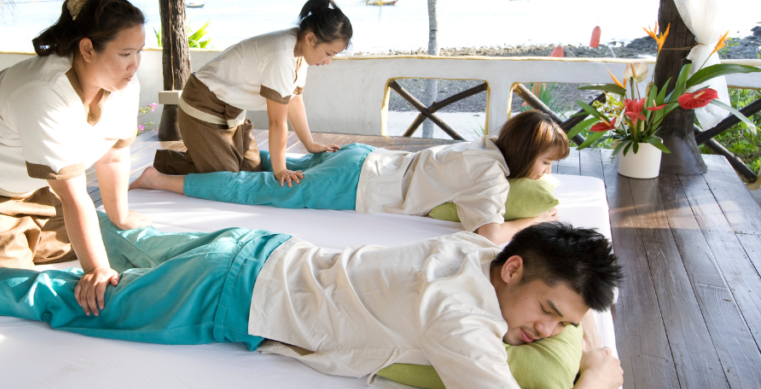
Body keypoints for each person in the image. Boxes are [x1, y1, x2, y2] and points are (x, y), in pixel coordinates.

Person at [0, 218, 624, 389]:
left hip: (262, 251)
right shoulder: (461, 320)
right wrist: (596, 378)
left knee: (131, 249)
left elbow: (505, 233)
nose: (547, 331)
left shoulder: (475, 254)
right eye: (548, 311)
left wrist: (577, 311)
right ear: (516, 271)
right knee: (83, 305)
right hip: (233, 296)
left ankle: (78, 224)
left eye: (561, 323)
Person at [0, 0, 150, 314]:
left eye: (139, 51)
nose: (134, 64)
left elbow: (113, 155)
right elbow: (72, 196)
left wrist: (119, 217)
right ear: (87, 49)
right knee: (18, 282)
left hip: (23, 180)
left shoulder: (124, 84)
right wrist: (96, 270)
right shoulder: (45, 91)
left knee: (68, 246)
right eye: (125, 53)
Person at [135, 110, 569, 244]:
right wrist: (536, 220)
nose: (545, 174)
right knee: (258, 189)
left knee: (271, 164)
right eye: (546, 164)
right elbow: (491, 235)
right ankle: (158, 180)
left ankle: (178, 160)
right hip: (356, 186)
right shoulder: (491, 176)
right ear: (527, 154)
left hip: (364, 159)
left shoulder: (484, 146)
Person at [154, 0, 352, 187]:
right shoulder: (281, 55)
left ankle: (202, 153)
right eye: (328, 53)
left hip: (232, 108)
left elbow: (295, 100)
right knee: (228, 180)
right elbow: (277, 121)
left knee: (251, 170)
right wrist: (280, 170)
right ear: (310, 38)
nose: (328, 61)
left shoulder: (300, 51)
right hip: (203, 102)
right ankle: (159, 172)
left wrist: (310, 144)